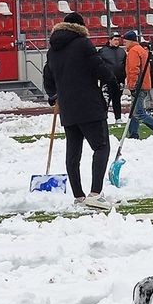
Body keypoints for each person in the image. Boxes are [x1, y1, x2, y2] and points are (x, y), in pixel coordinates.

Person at [41, 12, 118, 210]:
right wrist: (112, 80)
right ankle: (95, 193)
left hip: (67, 107)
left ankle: (79, 196)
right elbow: (99, 68)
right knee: (101, 147)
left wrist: (54, 95)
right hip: (89, 105)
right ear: (80, 27)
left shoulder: (52, 49)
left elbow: (48, 77)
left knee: (73, 153)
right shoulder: (83, 44)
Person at [122, 30, 153, 139]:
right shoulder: (141, 50)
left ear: (130, 40)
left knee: (138, 112)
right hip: (143, 83)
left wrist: (133, 85)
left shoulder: (134, 51)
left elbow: (134, 69)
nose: (124, 43)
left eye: (125, 41)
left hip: (138, 85)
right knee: (134, 111)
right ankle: (133, 134)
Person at [97, 31, 125, 121]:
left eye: (118, 40)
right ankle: (103, 118)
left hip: (119, 80)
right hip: (107, 80)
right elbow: (98, 65)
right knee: (105, 100)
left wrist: (124, 76)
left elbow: (125, 64)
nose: (117, 41)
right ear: (110, 40)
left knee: (117, 100)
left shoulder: (122, 51)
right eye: (115, 39)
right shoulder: (102, 51)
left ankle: (118, 118)